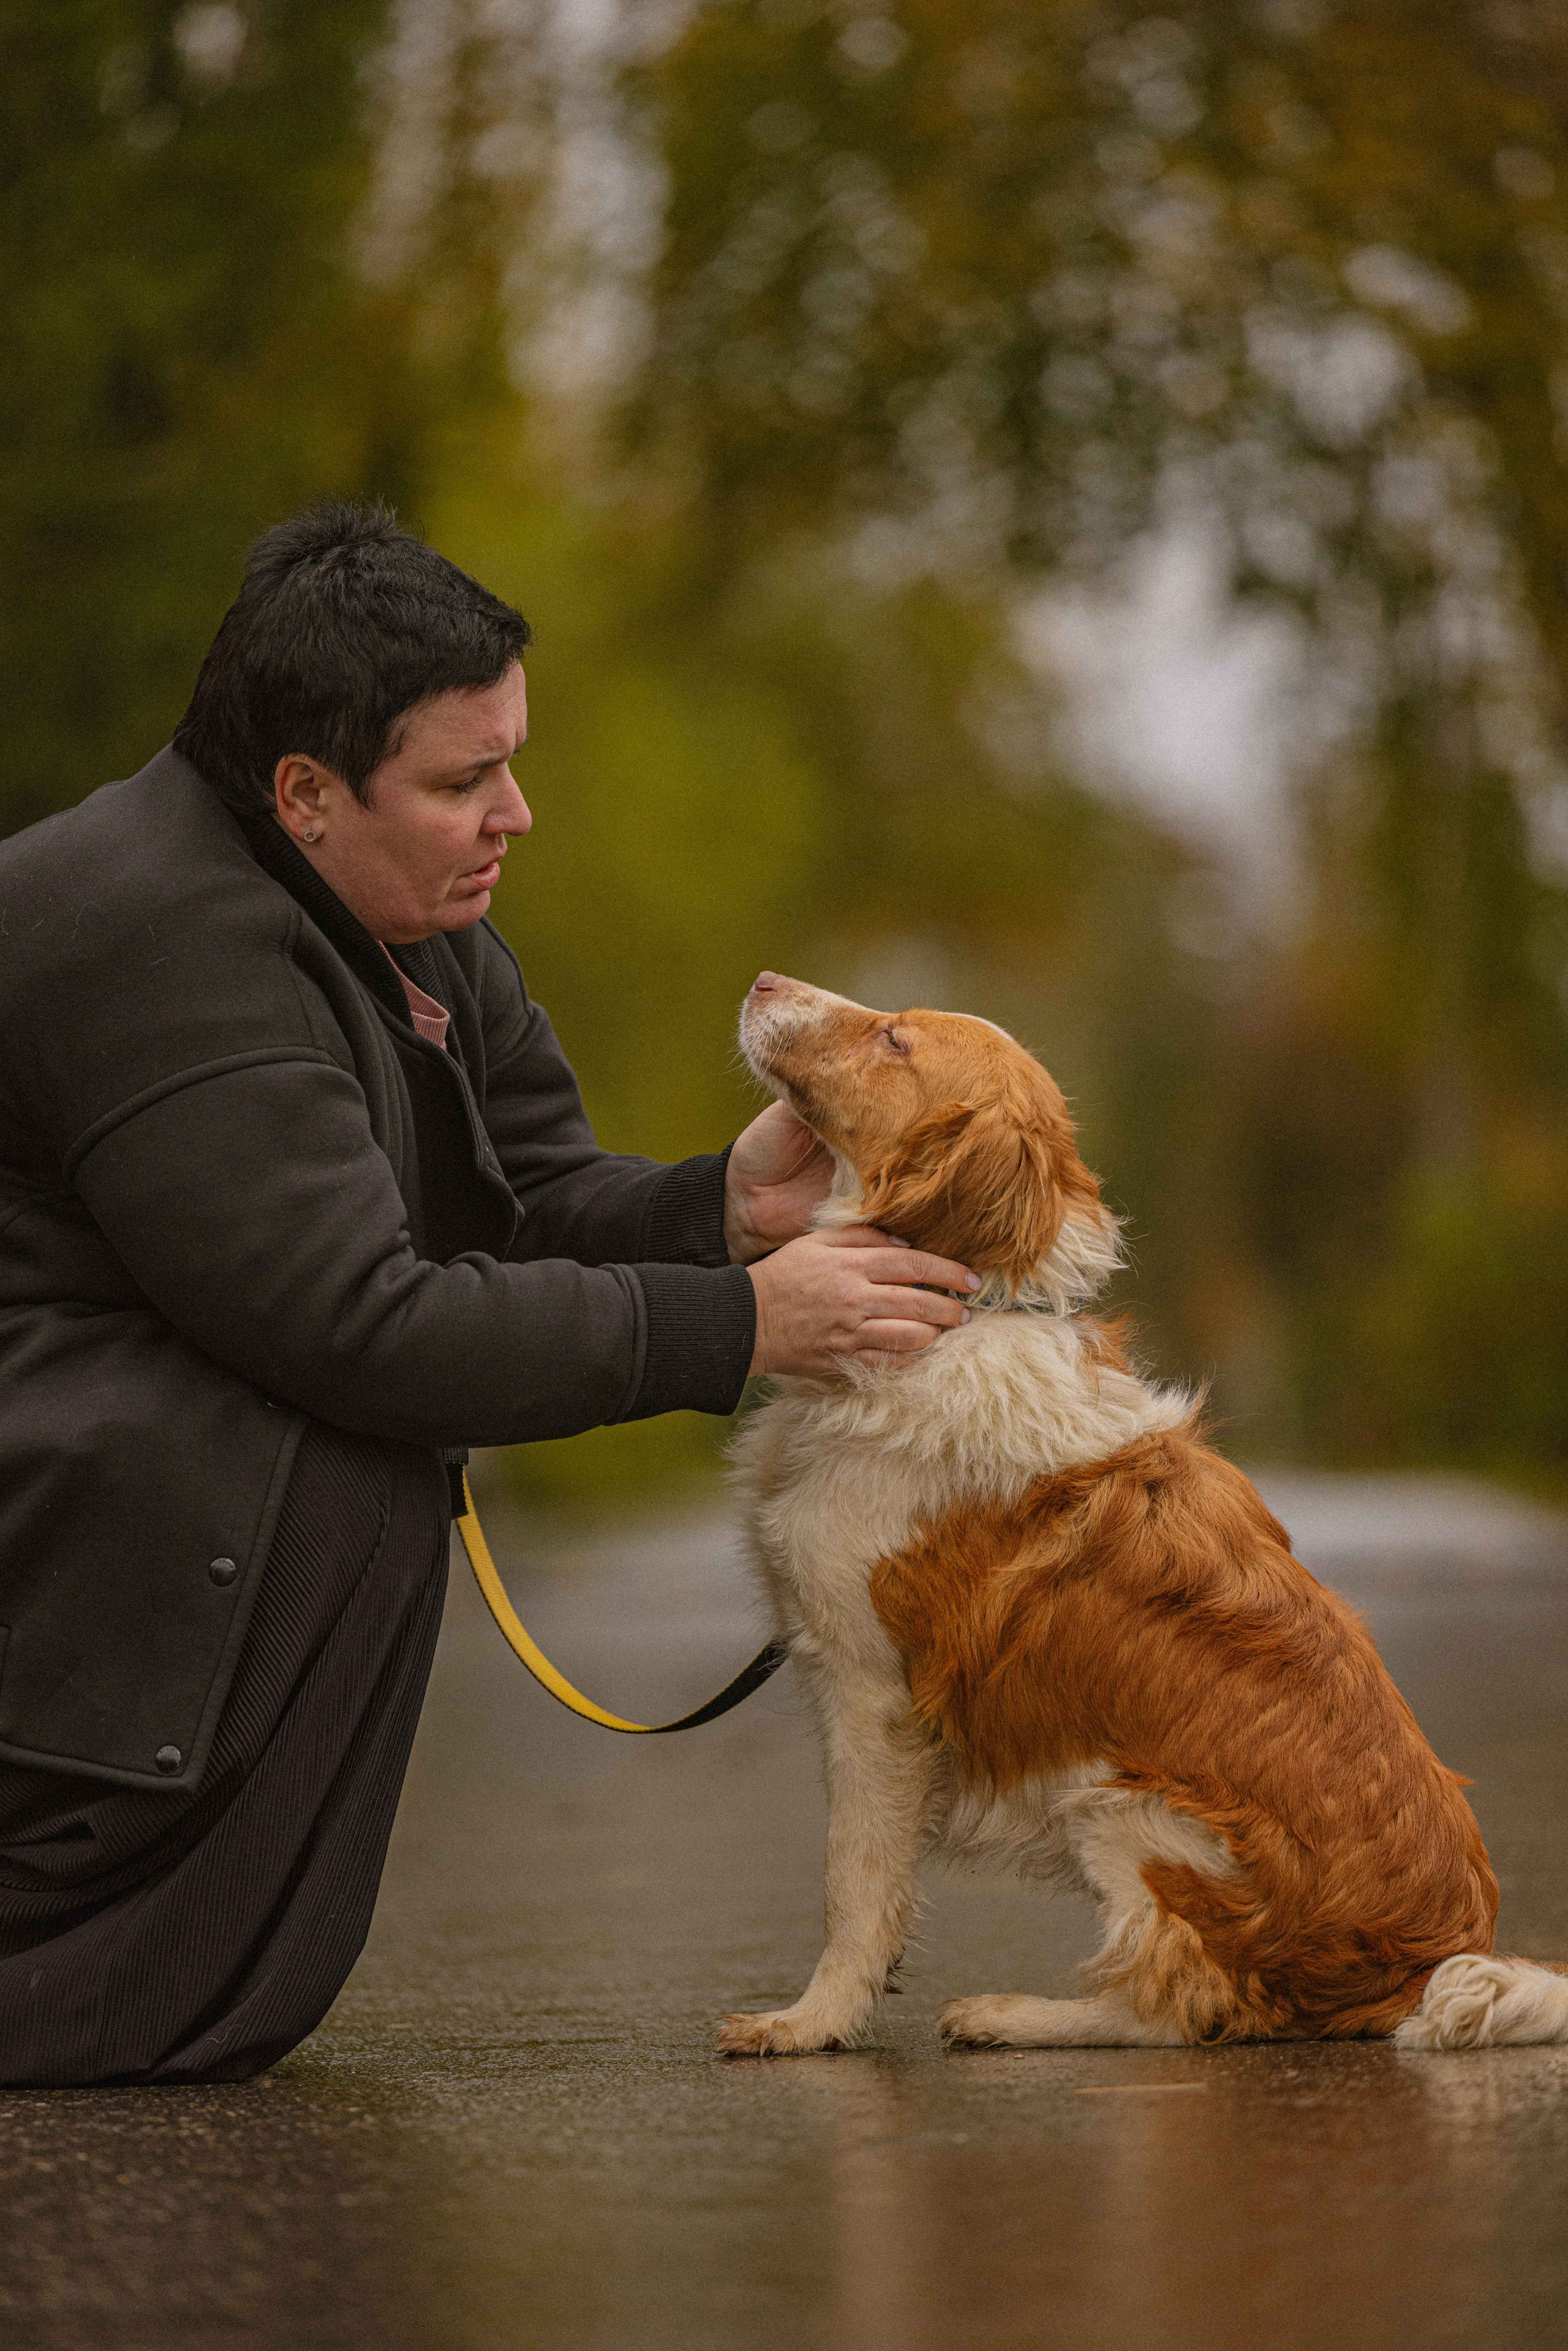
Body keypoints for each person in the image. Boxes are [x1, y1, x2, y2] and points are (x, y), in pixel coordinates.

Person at [0, 503, 977, 2087]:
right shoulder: (158, 939)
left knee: (364, 1440)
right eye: (464, 783)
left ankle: (157, 1981)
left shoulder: (416, 920)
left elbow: (526, 1212)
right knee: (352, 1435)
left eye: (512, 761)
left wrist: (719, 1216)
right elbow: (357, 1326)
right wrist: (743, 1327)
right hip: (54, 1483)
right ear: (304, 793)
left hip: (115, 1458)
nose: (512, 815)